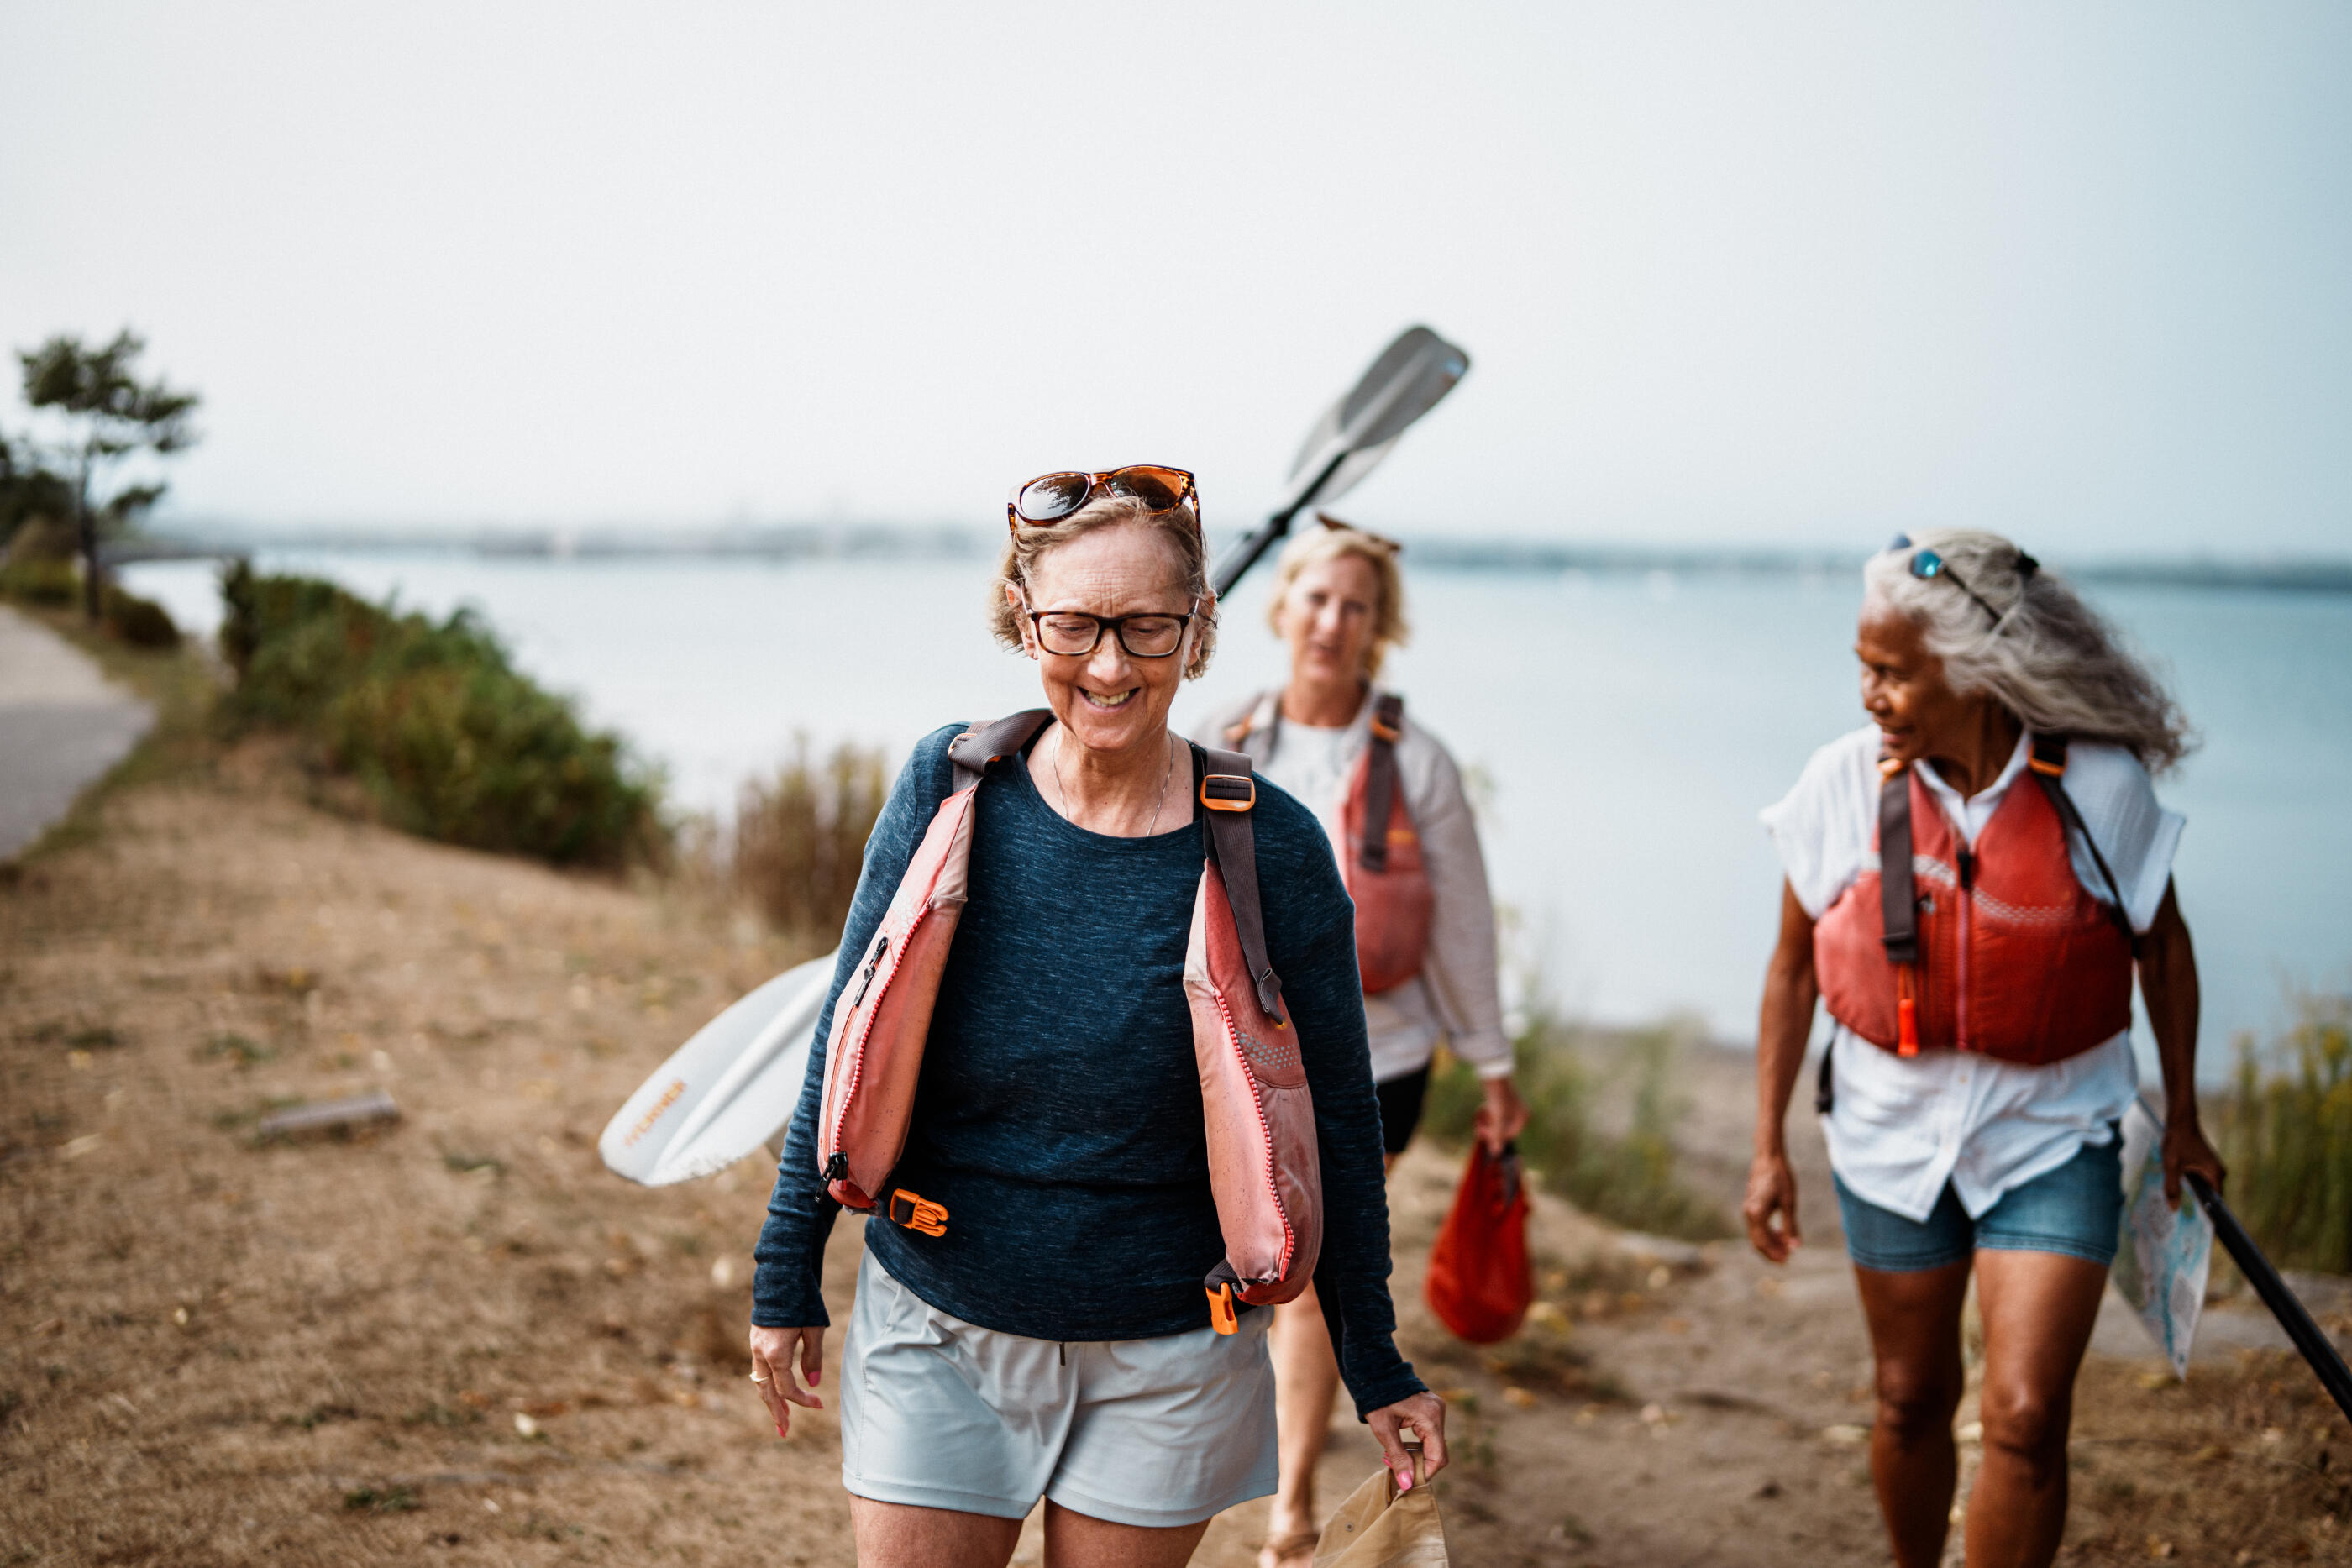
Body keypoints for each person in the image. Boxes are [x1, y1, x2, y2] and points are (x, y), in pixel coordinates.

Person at [748, 469, 1446, 1568]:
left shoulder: (1276, 848)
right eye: (1075, 624)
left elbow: (1339, 1129)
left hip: (1171, 1353)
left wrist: (1377, 1359)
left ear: (1199, 626)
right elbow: (849, 1033)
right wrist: (786, 1269)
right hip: (939, 1325)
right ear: (1022, 616)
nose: (1111, 664)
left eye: (1147, 627)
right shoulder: (950, 785)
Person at [1744, 529, 2224, 1568]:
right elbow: (1788, 972)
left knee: (2020, 1413)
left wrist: (2182, 1115)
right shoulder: (1837, 782)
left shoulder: (2098, 786)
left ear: (1971, 669)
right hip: (1883, 1132)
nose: (1869, 693)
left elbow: (2164, 948)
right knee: (1911, 1396)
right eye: (1863, 668)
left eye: (1892, 671)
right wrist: (1767, 1147)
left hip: (2054, 1133)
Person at [1200, 517, 1526, 1568]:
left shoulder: (1415, 765)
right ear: (1281, 606)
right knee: (1229, 1267)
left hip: (1373, 1066)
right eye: (1318, 598)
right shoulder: (1226, 737)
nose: (1332, 621)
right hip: (1239, 1062)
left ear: (1380, 630)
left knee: (1307, 1270)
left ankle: (1289, 1508)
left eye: (1358, 606)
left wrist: (1494, 1066)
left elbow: (1465, 924)